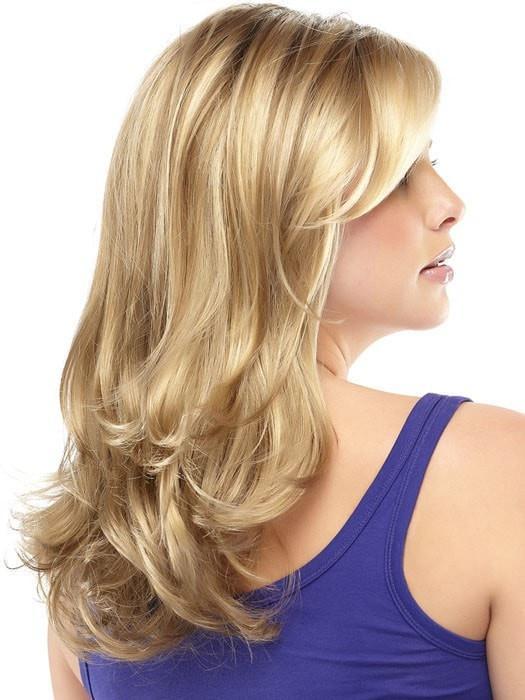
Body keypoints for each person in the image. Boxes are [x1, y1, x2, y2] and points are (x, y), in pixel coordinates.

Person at [13, 3, 525, 698]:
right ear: (277, 210)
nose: (449, 203)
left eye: (430, 162)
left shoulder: (102, 536)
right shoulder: (490, 473)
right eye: (397, 173)